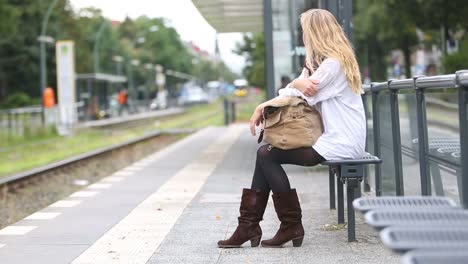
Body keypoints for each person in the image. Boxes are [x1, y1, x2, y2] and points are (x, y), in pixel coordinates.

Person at [217, 9, 366, 248]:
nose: (303, 37)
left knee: (266, 154)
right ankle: (254, 226)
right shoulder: (325, 63)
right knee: (265, 154)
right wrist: (274, 97)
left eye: (305, 31)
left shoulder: (334, 65)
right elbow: (290, 92)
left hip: (342, 143)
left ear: (315, 33)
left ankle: (275, 225)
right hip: (334, 139)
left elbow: (301, 91)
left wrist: (293, 85)